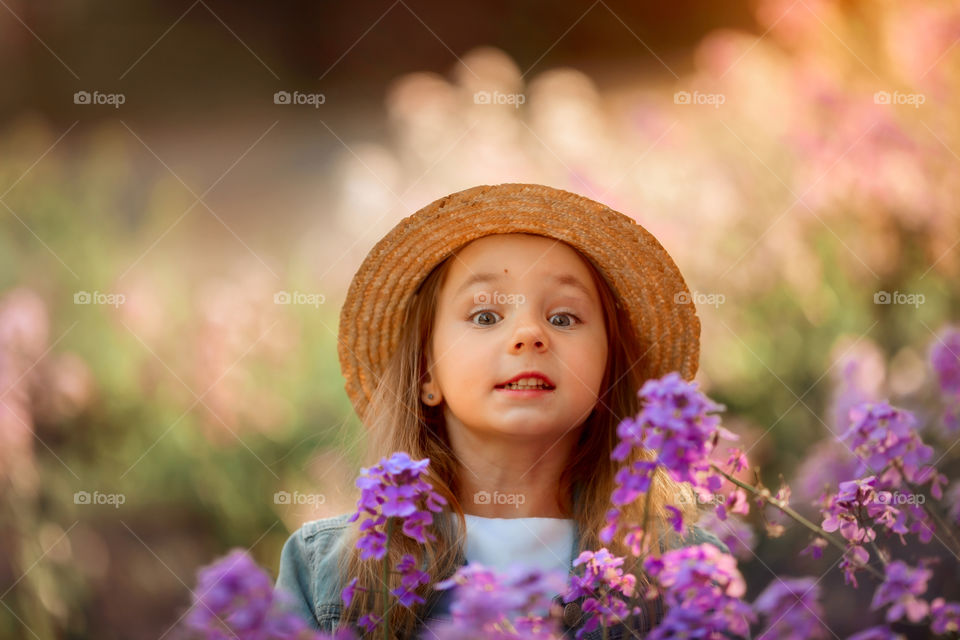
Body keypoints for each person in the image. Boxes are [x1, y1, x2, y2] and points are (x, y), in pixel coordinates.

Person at [276, 183, 731, 639]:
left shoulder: (681, 569)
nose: (530, 333)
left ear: (608, 371)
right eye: (485, 317)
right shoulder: (325, 568)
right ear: (425, 374)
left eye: (563, 318)